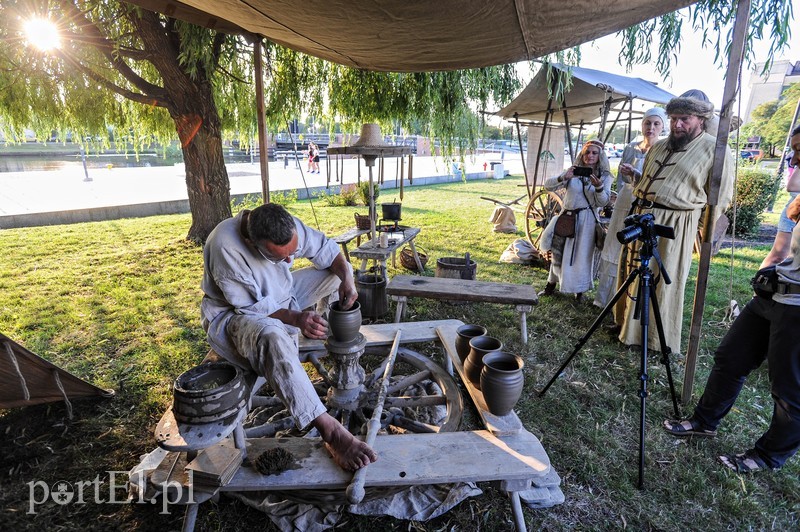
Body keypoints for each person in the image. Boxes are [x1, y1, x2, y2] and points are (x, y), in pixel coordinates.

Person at [200, 203, 377, 471]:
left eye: (292, 253)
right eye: (280, 258)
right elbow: (251, 308)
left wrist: (347, 279)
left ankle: (328, 329)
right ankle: (330, 431)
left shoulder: (280, 223)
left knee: (335, 275)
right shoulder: (225, 246)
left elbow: (326, 250)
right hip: (234, 316)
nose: (289, 262)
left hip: (282, 294)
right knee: (272, 336)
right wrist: (296, 319)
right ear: (252, 242)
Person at [663, 183, 800, 474]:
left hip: (797, 307)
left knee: (789, 389)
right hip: (772, 294)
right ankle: (704, 422)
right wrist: (761, 283)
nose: (793, 168)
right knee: (731, 358)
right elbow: (779, 250)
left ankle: (767, 456)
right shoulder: (796, 203)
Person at [616, 95, 734, 355]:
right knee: (632, 270)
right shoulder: (659, 147)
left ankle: (655, 339)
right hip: (642, 216)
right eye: (673, 119)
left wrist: (698, 228)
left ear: (700, 120)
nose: (677, 125)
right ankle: (626, 325)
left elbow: (720, 199)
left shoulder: (716, 150)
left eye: (684, 119)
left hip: (676, 223)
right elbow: (647, 182)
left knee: (662, 279)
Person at [594, 107, 667, 313]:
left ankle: (629, 303)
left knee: (635, 249)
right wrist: (627, 178)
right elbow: (621, 180)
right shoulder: (631, 147)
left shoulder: (662, 149)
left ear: (662, 127)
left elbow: (657, 184)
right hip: (625, 199)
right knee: (615, 244)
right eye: (647, 123)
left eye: (656, 124)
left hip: (644, 203)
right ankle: (605, 299)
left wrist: (636, 174)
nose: (651, 127)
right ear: (642, 125)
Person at [538, 139, 613, 302]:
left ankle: (579, 291)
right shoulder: (573, 171)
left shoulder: (605, 176)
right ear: (582, 154)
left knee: (582, 257)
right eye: (587, 152)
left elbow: (602, 202)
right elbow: (548, 186)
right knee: (559, 252)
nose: (590, 156)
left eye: (594, 153)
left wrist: (599, 187)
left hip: (587, 221)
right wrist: (563, 177)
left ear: (600, 156)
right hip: (567, 217)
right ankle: (551, 284)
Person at [760, 126, 800, 269]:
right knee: (778, 256)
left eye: (799, 150)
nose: (793, 161)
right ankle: (760, 284)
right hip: (795, 206)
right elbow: (792, 186)